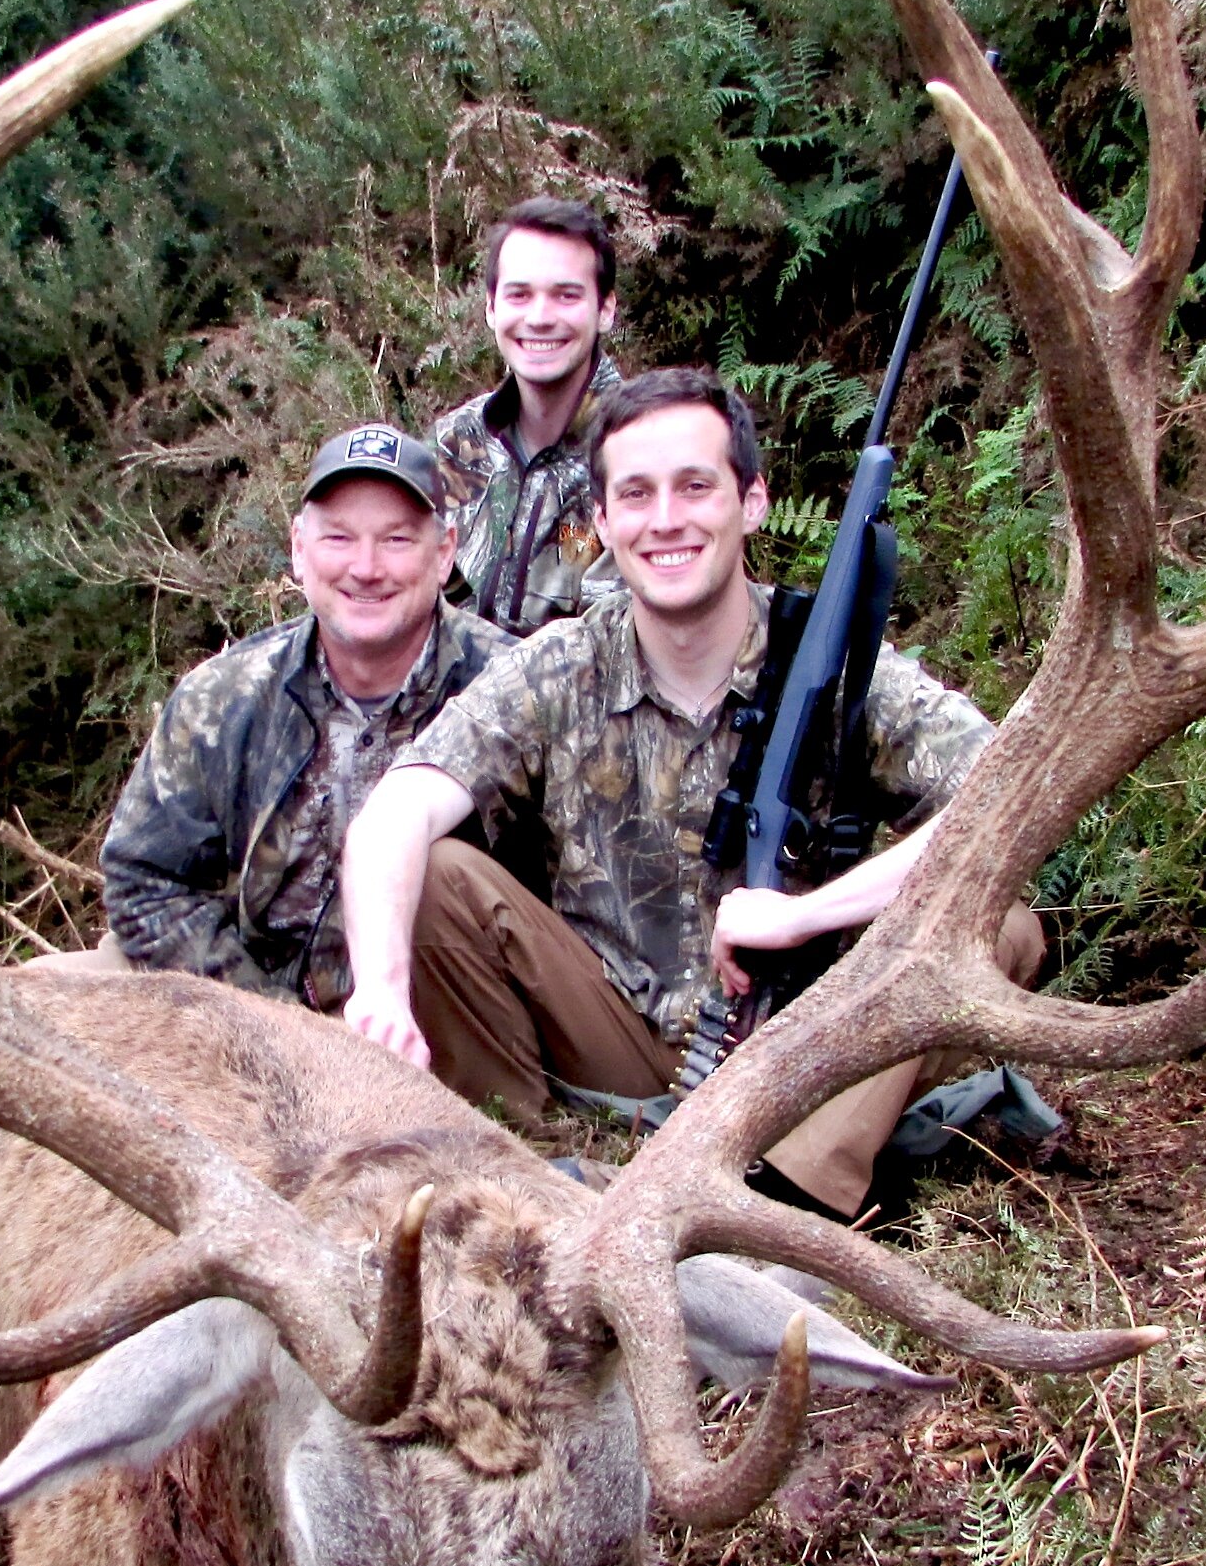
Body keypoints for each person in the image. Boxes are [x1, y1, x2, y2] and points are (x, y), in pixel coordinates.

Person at [337, 369, 1042, 1216]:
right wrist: (378, 988)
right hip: (617, 1043)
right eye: (635, 493)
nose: (664, 519)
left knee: (995, 920)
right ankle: (513, 1177)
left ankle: (782, 1203)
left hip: (810, 1046)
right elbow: (395, 811)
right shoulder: (561, 668)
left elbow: (1016, 803)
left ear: (752, 503)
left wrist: (804, 916)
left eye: (695, 486)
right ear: (601, 522)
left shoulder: (842, 670)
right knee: (438, 878)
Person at [92, 425, 509, 1009]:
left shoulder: (511, 694)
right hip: (250, 1005)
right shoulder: (222, 697)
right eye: (338, 538)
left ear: (444, 554)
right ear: (298, 548)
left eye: (395, 541)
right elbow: (145, 882)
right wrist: (268, 1019)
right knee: (60, 989)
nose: (365, 568)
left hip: (428, 1022)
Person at [427, 196, 627, 633]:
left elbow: (620, 646)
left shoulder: (638, 453)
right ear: (491, 308)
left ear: (605, 309)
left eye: (566, 295)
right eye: (519, 295)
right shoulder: (453, 444)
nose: (539, 318)